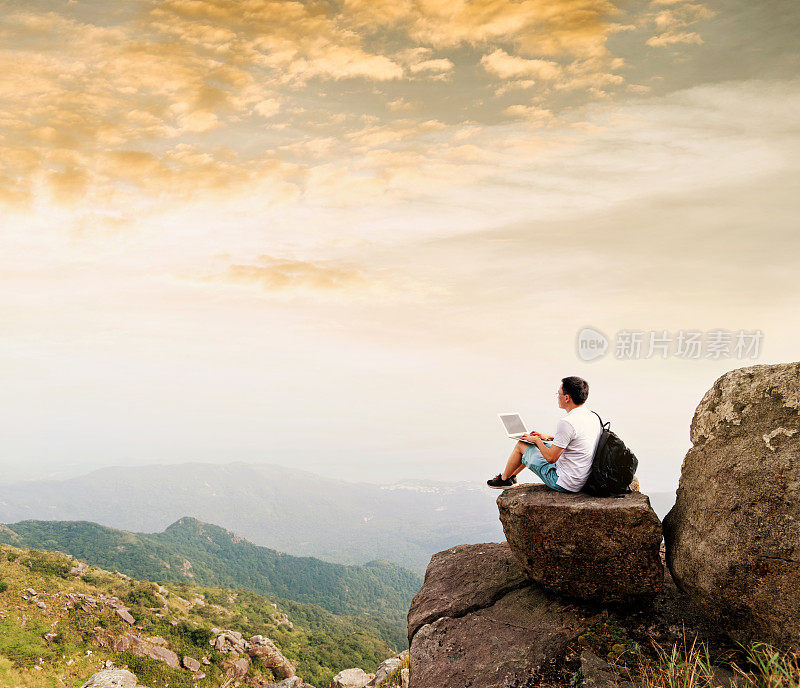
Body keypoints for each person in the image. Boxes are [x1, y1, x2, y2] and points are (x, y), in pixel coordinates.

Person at [487, 376, 601, 493]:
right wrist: (549, 437)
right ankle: (511, 476)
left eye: (558, 394)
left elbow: (551, 458)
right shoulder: (592, 416)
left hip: (564, 483)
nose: (557, 397)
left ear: (567, 398)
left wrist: (536, 440)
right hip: (581, 477)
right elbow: (577, 439)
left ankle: (504, 479)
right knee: (534, 444)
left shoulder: (567, 422)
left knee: (522, 444)